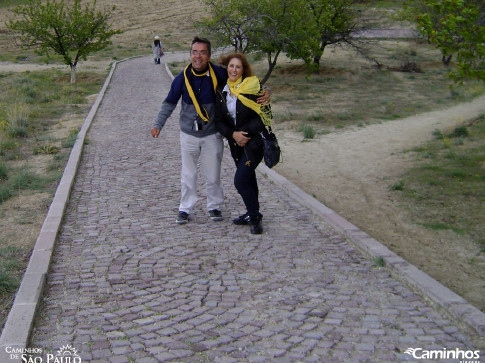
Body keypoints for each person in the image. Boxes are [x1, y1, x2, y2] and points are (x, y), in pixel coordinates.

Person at [150, 37, 270, 225]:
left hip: (212, 134)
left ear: (209, 55)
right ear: (190, 54)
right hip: (188, 135)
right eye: (194, 52)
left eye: (202, 52)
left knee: (213, 174)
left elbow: (247, 83)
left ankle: (214, 205)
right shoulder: (182, 78)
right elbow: (169, 103)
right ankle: (185, 207)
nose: (198, 56)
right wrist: (158, 124)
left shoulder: (219, 74)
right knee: (188, 175)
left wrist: (266, 91)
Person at [214, 53, 272, 234]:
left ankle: (255, 217)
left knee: (240, 181)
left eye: (238, 67)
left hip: (253, 144)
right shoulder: (222, 90)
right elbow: (219, 121)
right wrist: (233, 134)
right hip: (235, 144)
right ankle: (251, 212)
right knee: (248, 178)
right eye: (231, 66)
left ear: (243, 70)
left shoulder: (252, 87)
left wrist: (243, 134)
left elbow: (264, 117)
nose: (233, 70)